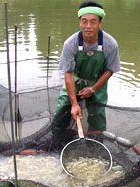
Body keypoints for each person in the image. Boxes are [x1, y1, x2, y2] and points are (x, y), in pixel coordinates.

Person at [51, 1, 120, 141]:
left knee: (97, 117)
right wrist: (74, 104)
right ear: (80, 22)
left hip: (97, 82)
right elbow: (69, 74)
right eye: (84, 21)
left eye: (93, 22)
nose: (88, 26)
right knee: (61, 111)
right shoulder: (70, 44)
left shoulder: (110, 44)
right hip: (75, 80)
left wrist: (93, 89)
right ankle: (57, 140)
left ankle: (95, 143)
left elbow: (110, 70)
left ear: (100, 23)